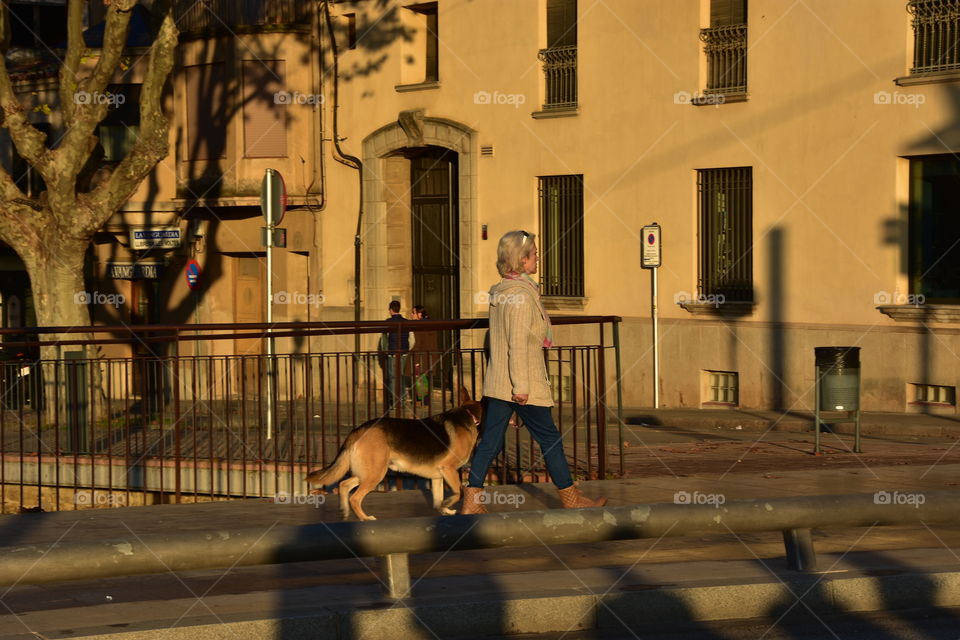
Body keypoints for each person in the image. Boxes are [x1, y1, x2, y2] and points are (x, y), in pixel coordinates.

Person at [460, 230, 607, 513]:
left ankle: (472, 501)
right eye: (535, 254)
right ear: (521, 260)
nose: (538, 257)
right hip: (522, 383)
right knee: (550, 440)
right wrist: (521, 389)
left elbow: (496, 340)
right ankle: (572, 499)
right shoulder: (521, 296)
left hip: (500, 382)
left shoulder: (502, 292)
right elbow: (516, 344)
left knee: (490, 441)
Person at [379, 300, 411, 414]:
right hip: (404, 353)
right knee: (401, 376)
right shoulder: (406, 322)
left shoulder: (388, 322)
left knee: (392, 378)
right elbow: (411, 339)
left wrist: (385, 352)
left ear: (391, 310)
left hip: (392, 353)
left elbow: (384, 340)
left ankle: (394, 402)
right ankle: (402, 401)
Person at [407, 305, 440, 405]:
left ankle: (422, 401)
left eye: (413, 313)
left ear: (419, 314)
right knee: (423, 378)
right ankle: (423, 400)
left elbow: (416, 343)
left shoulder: (419, 325)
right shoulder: (430, 323)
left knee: (420, 378)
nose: (411, 315)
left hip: (420, 356)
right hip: (428, 356)